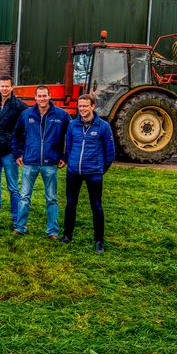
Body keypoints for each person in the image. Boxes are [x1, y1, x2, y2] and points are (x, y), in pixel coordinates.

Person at [12, 86, 70, 239]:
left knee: (51, 198)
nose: (42, 98)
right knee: (24, 196)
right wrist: (18, 153)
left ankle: (52, 231)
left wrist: (65, 156)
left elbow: (71, 136)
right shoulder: (26, 115)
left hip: (50, 162)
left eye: (45, 95)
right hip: (30, 161)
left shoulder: (61, 115)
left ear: (49, 96)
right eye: (39, 96)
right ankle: (20, 227)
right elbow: (16, 135)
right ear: (35, 97)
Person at [62, 94, 115, 253]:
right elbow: (69, 147)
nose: (82, 109)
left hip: (94, 173)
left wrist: (100, 169)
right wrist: (72, 164)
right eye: (80, 106)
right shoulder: (72, 125)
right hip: (74, 172)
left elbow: (110, 153)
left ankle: (99, 241)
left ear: (92, 106)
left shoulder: (103, 126)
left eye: (85, 106)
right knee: (70, 204)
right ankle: (67, 236)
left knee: (96, 206)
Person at [0, 75, 28, 225]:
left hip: (9, 151)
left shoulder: (19, 106)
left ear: (12, 87)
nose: (4, 88)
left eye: (7, 86)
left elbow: (24, 129)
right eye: (2, 86)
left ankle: (16, 219)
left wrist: (19, 149)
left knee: (13, 187)